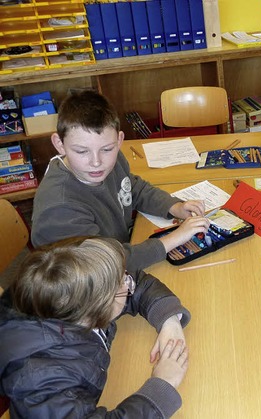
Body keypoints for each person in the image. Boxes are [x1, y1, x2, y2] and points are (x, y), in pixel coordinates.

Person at [0, 236, 190, 417]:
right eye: (123, 283)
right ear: (98, 308)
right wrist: (162, 386)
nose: (129, 281)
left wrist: (169, 321)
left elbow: (139, 284)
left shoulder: (71, 299)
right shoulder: (43, 382)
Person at [31, 90, 211, 273]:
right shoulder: (58, 208)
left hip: (117, 253)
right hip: (83, 288)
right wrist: (174, 239)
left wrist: (173, 207)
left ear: (119, 141)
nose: (96, 162)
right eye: (81, 151)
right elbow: (103, 265)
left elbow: (131, 187)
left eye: (107, 149)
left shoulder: (111, 160)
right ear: (59, 144)